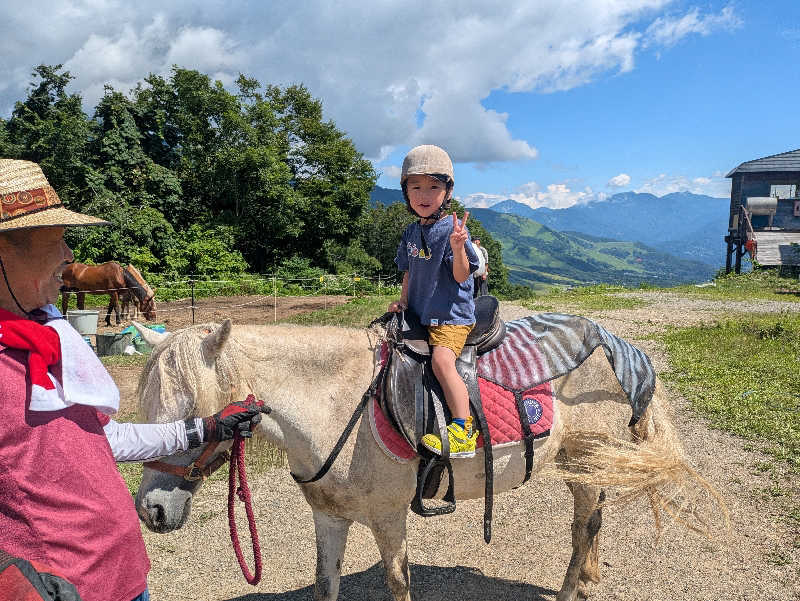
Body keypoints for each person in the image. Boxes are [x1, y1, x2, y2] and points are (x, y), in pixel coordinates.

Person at [0, 159, 269, 601]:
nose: (69, 256)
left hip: (124, 578)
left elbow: (104, 437)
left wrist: (207, 428)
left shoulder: (49, 340)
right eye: (57, 240)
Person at [388, 145, 481, 458]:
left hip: (450, 317)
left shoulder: (452, 231)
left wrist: (458, 247)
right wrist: (402, 302)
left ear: (447, 192)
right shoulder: (412, 232)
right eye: (415, 187)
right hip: (420, 313)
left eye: (433, 187)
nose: (423, 195)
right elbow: (410, 272)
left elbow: (461, 275)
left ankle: (463, 429)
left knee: (442, 362)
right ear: (406, 192)